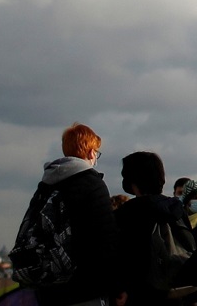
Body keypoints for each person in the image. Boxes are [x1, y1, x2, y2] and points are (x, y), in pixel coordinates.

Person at [14, 123, 119, 306]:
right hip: (85, 288)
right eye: (96, 152)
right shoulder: (92, 184)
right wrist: (116, 286)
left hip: (48, 286)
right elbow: (105, 241)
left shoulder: (46, 185)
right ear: (91, 152)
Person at [115, 151, 195, 306]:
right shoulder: (176, 208)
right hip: (178, 291)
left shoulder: (127, 213)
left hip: (141, 294)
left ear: (132, 180)